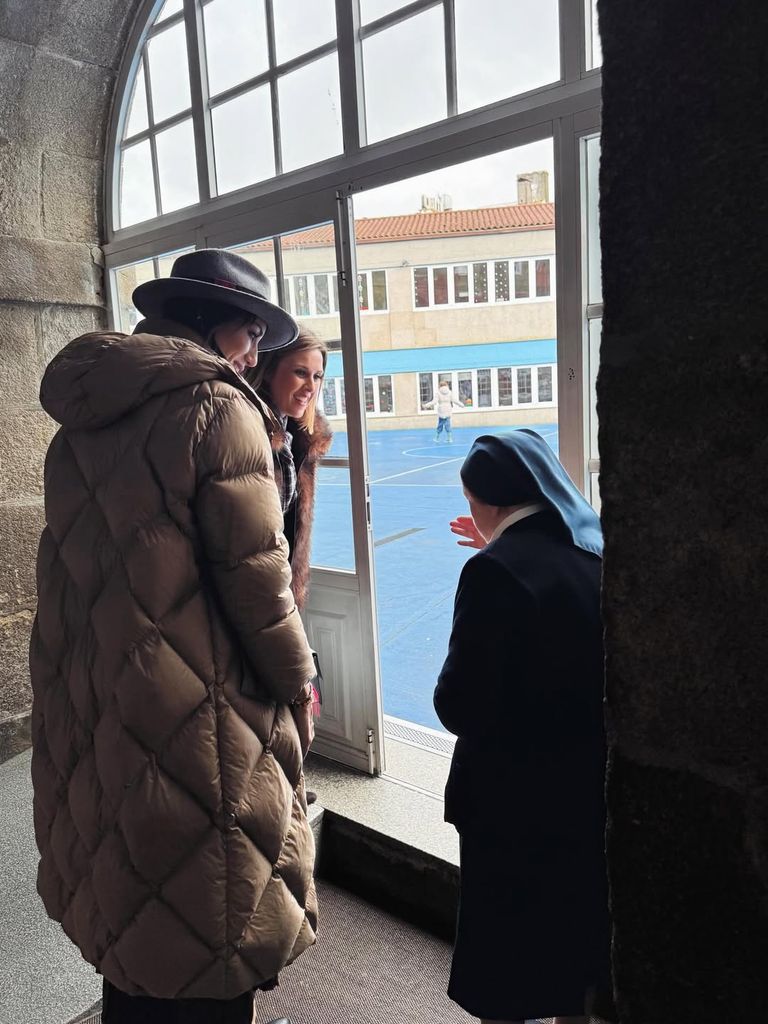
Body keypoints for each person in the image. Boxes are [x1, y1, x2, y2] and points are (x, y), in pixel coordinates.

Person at [30, 249, 319, 1024]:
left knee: (134, 893)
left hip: (111, 690)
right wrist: (298, 680)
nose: (256, 354)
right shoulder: (217, 410)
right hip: (198, 703)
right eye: (251, 332)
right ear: (209, 326)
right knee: (209, 904)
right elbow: (258, 582)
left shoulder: (82, 423)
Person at [434, 430, 611, 1024]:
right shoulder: (595, 550)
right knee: (574, 944)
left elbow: (459, 703)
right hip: (583, 786)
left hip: (510, 798)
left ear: (488, 502)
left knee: (504, 959)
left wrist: (489, 563)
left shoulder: (493, 573)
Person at [247, 329, 332, 805]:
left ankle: (290, 784)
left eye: (317, 375)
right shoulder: (255, 434)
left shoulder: (297, 437)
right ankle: (282, 792)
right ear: (269, 370)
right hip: (259, 590)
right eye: (300, 372)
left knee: (296, 694)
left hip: (285, 589)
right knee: (278, 695)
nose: (310, 385)